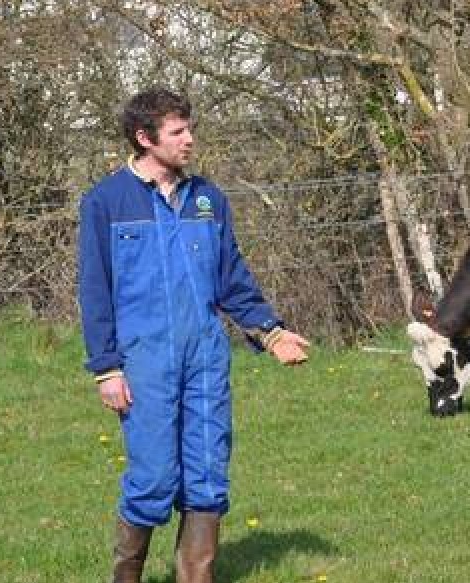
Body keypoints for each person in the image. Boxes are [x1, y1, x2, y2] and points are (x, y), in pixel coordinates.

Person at [77, 88, 310, 583]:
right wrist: (107, 368)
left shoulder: (208, 199)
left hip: (205, 359)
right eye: (178, 131)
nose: (190, 139)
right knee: (154, 479)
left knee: (207, 476)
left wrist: (271, 333)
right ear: (145, 138)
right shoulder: (106, 203)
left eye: (190, 128)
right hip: (144, 363)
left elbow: (232, 279)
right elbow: (95, 292)